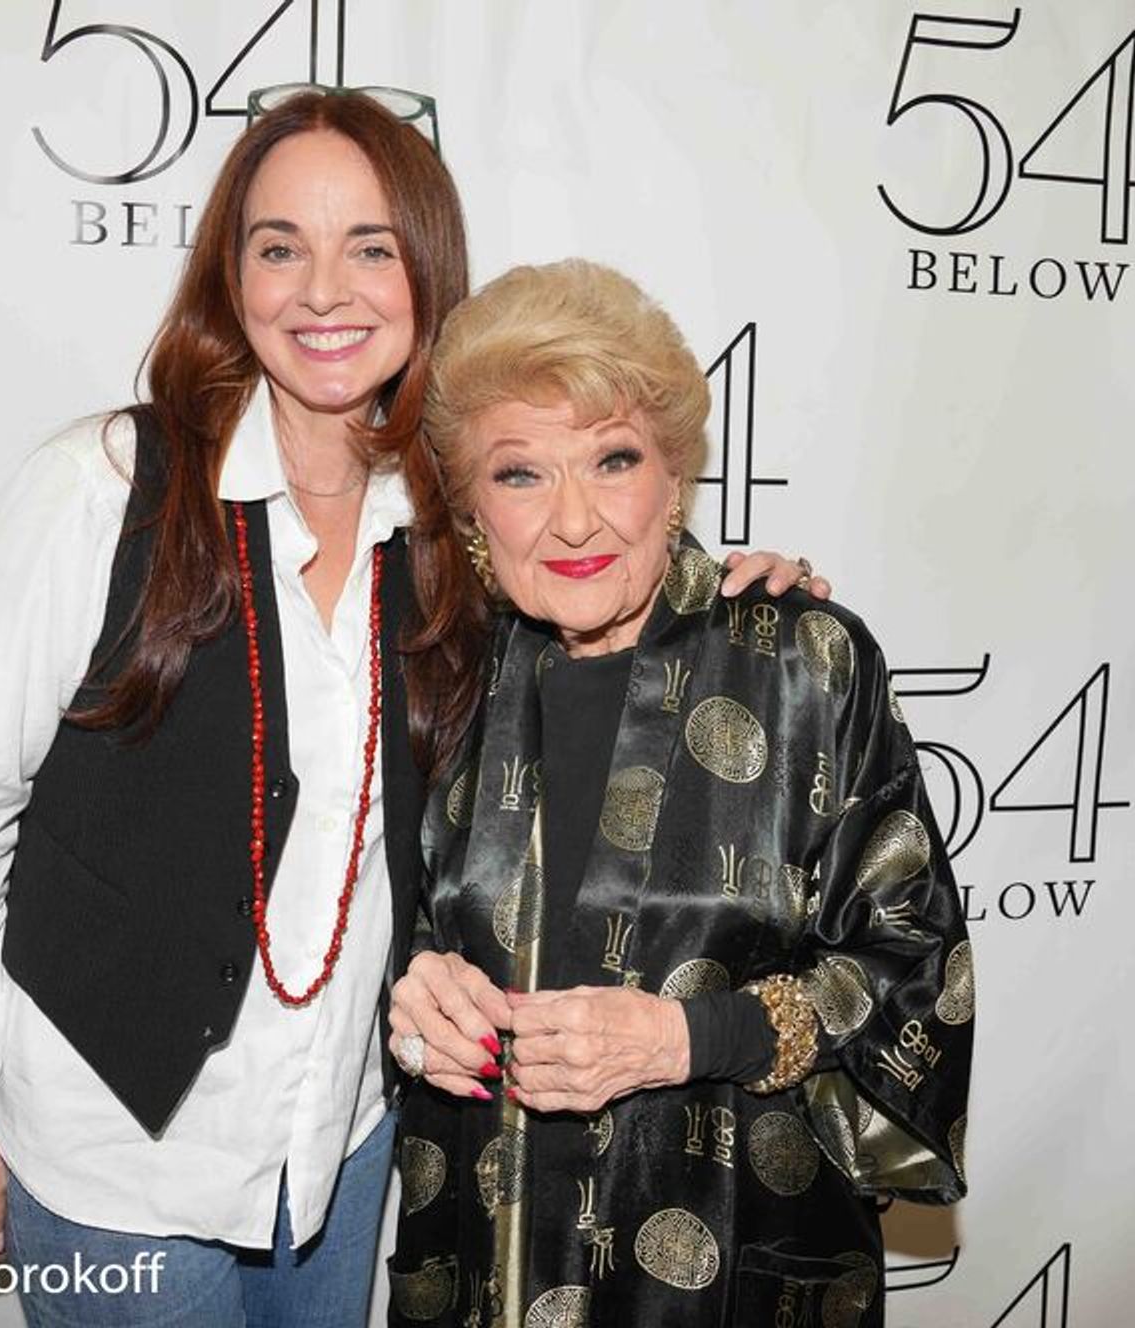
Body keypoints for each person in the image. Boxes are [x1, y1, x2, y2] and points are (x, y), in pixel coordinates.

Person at [0, 92, 824, 1327]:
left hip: (343, 1147)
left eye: (369, 246)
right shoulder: (97, 488)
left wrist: (742, 596)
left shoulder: (439, 533)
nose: (324, 290)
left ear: (425, 273)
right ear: (231, 273)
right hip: (116, 1160)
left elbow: (589, 552)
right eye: (279, 247)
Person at [388, 260, 971, 1327]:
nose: (572, 520)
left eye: (612, 460)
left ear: (673, 477)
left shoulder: (802, 661)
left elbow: (915, 974)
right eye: (519, 473)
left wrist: (687, 1038)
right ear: (471, 507)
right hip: (483, 1265)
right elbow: (380, 929)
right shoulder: (445, 674)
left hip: (731, 1268)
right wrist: (412, 989)